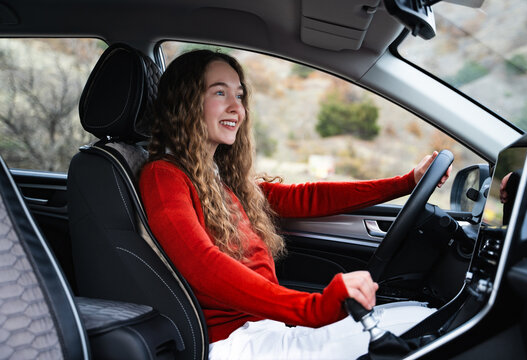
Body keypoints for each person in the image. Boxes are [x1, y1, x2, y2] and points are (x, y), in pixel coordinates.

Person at [139, 50, 451, 359]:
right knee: (423, 337)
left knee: (423, 318)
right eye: (220, 92)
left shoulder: (218, 178)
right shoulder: (164, 176)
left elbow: (308, 197)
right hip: (236, 343)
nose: (238, 107)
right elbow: (202, 265)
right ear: (185, 103)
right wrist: (311, 308)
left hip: (265, 328)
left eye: (240, 95)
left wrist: (407, 181)